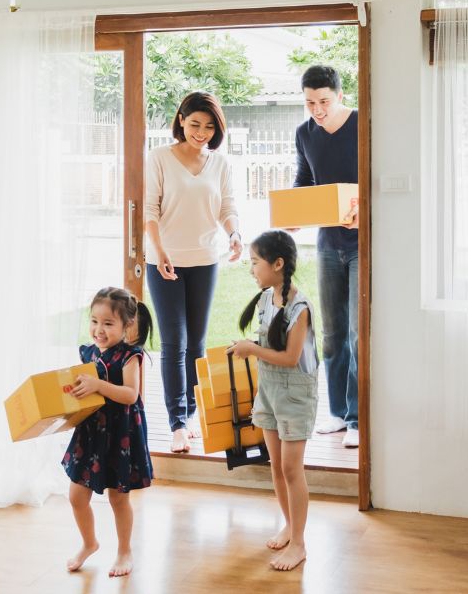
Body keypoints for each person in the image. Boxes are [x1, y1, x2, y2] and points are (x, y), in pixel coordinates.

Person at [144, 91, 243, 453]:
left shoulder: (220, 164)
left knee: (197, 343)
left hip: (205, 259)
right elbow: (150, 210)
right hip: (165, 261)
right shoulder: (159, 158)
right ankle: (177, 424)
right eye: (195, 124)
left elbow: (227, 206)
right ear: (181, 120)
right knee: (174, 342)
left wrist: (234, 234)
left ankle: (193, 412)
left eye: (209, 126)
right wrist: (160, 251)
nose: (201, 132)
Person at [229, 230, 319, 572]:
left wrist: (251, 349)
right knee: (277, 466)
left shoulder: (300, 306)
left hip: (296, 394)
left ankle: (299, 543)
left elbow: (292, 357)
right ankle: (289, 526)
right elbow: (268, 345)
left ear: (277, 264)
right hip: (268, 390)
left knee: (292, 469)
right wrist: (249, 345)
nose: (252, 269)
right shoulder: (267, 298)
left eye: (255, 262)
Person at [62, 287, 154, 577]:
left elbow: (131, 394)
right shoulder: (87, 352)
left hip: (120, 434)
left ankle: (125, 550)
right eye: (94, 321)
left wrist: (98, 386)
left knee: (118, 497)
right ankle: (89, 543)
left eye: (108, 323)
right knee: (76, 495)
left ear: (127, 325)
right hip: (91, 432)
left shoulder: (130, 356)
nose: (98, 329)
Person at [293, 65, 360, 448]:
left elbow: (376, 175)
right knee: (332, 334)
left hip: (361, 244)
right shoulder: (305, 133)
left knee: (356, 332)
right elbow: (304, 180)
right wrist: (295, 213)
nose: (316, 110)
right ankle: (336, 413)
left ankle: (356, 418)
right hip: (327, 245)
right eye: (309, 103)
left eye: (323, 102)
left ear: (339, 94)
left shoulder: (361, 124)